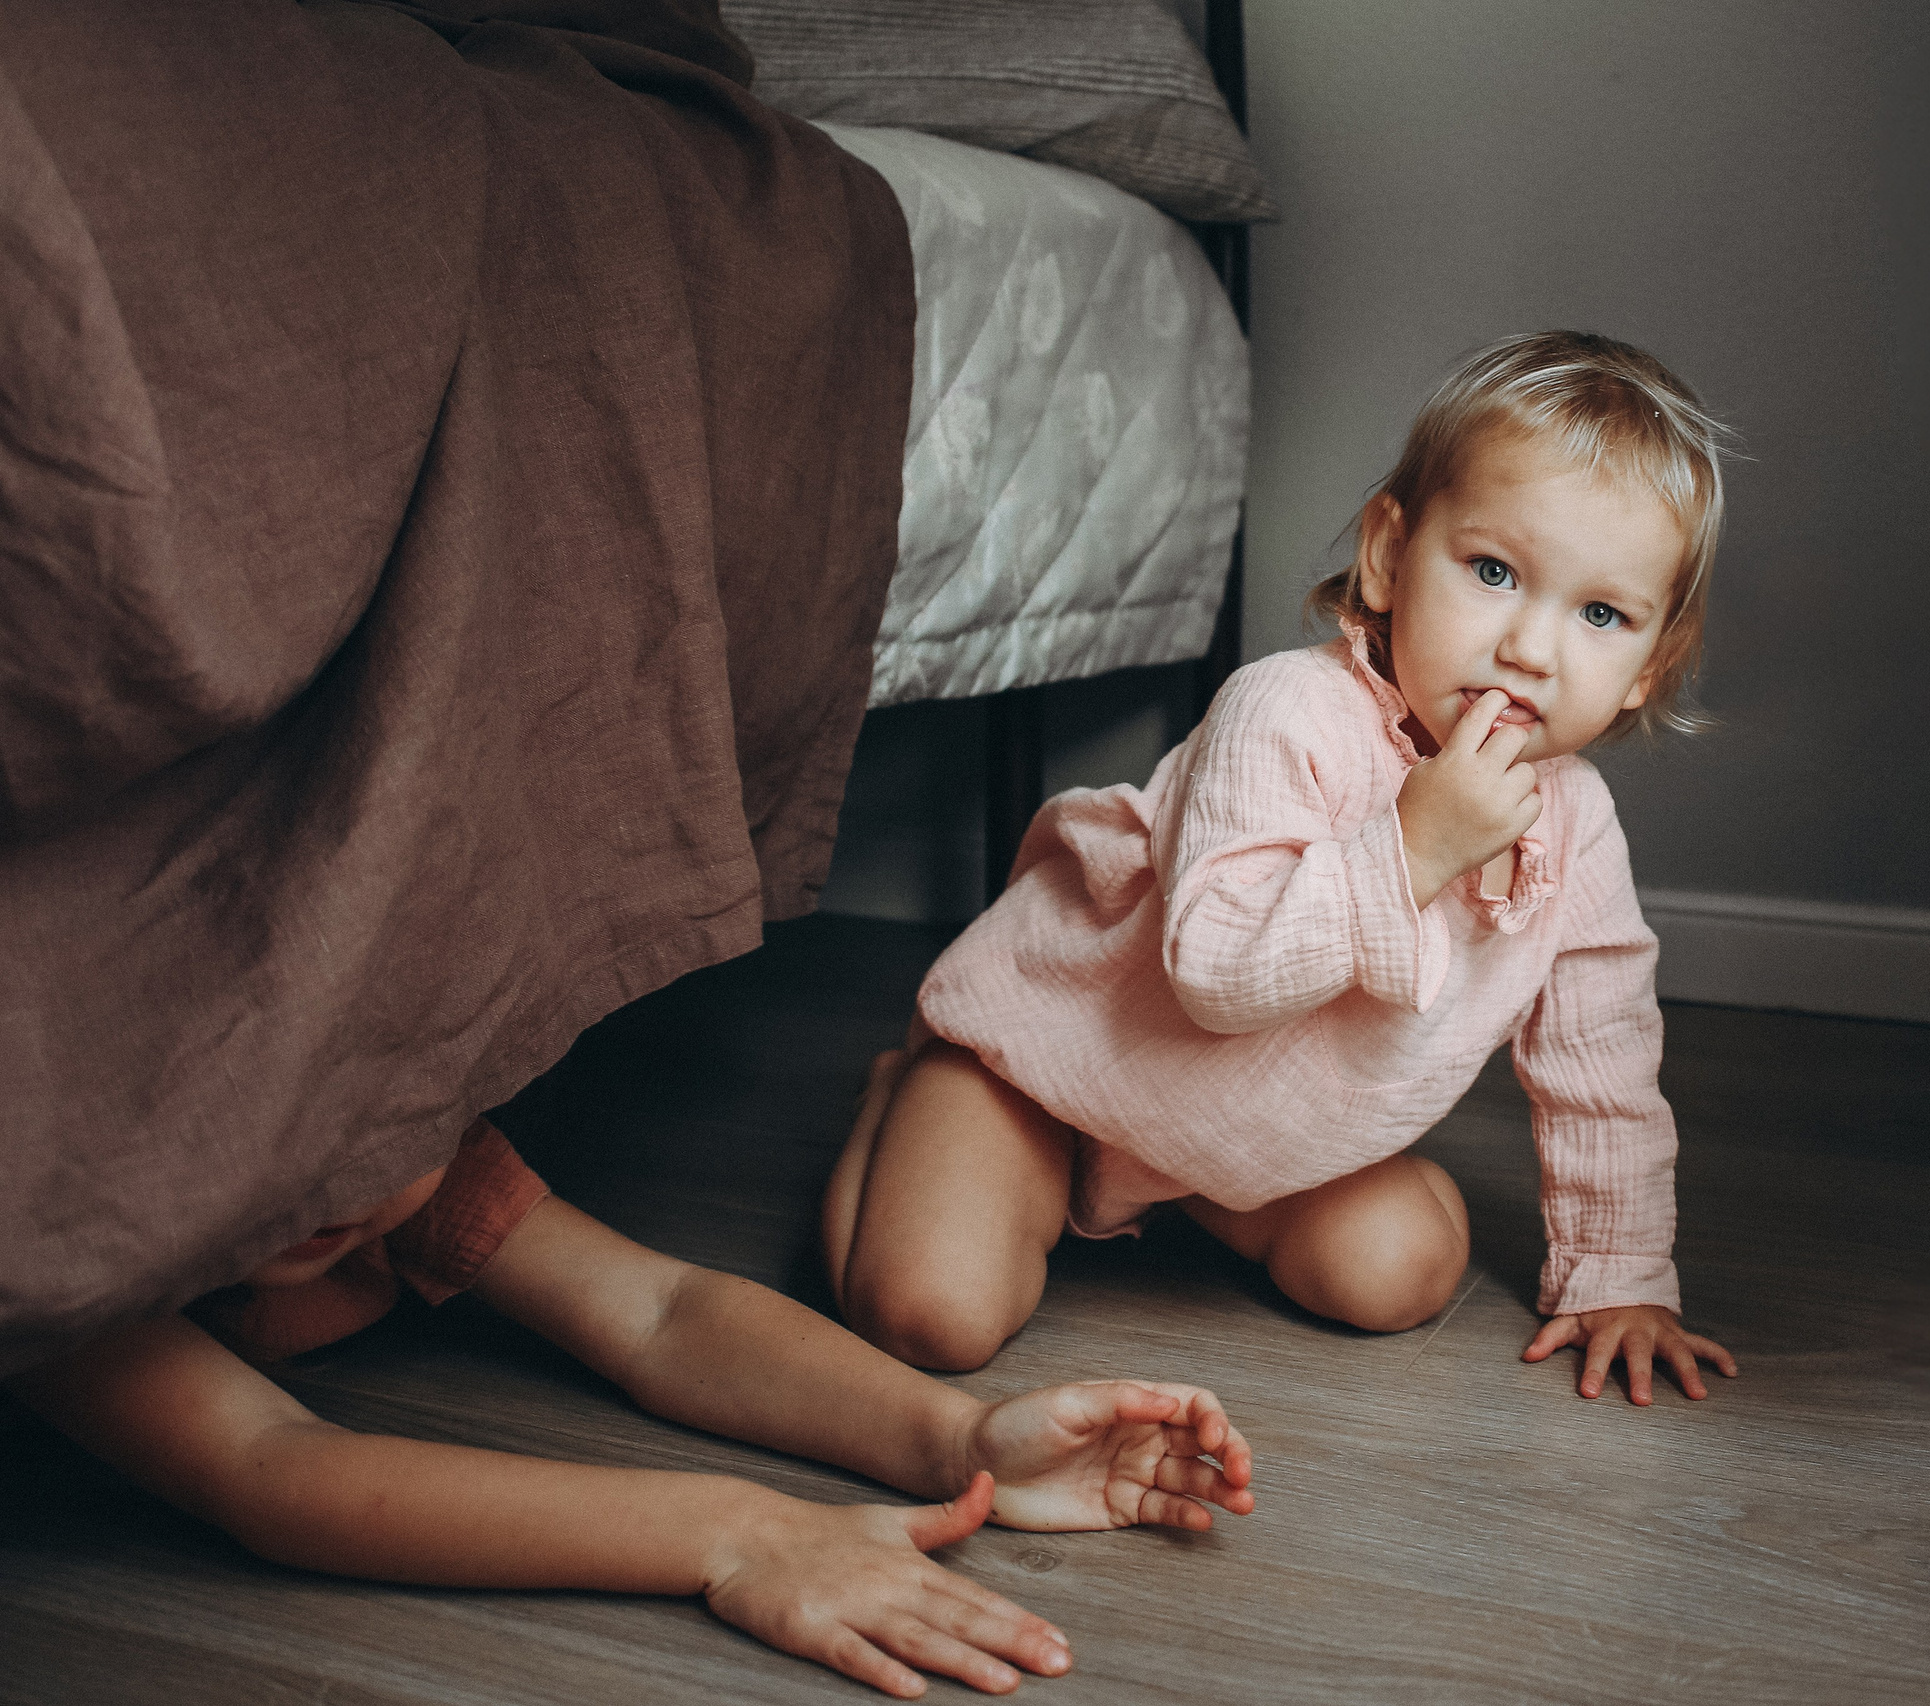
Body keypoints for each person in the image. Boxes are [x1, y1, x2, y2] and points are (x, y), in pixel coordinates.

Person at [827, 331, 1742, 1407]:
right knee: (930, 1315)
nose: (1532, 649)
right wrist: (1411, 848)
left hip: (1233, 1146)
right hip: (1053, 1073)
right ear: (1390, 555)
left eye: (1599, 614)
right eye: (1492, 572)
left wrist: (1619, 1273)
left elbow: (1603, 1057)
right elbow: (1214, 973)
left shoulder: (1575, 824)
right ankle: (910, 1092)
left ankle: (1188, 1195)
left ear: (1649, 667)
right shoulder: (1287, 711)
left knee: (1401, 1268)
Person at [8, 1119, 1254, 1700]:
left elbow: (659, 1312)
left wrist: (956, 1436)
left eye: (382, 1115)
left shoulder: (392, 1153)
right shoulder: (55, 1235)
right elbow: (272, 1465)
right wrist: (739, 1532)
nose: (331, 1168)